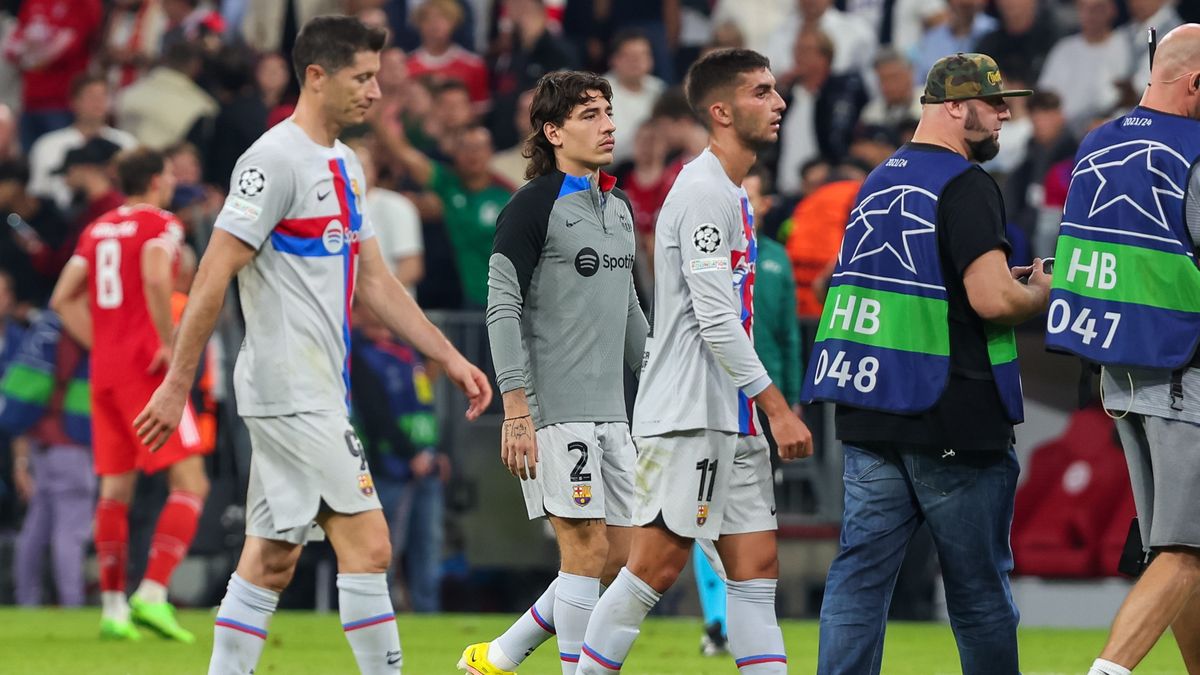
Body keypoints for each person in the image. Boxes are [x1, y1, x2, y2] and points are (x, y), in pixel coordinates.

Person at [131, 16, 491, 674]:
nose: (376, 93)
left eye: (377, 78)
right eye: (361, 77)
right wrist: (177, 382)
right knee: (371, 543)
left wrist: (448, 354)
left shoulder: (345, 164)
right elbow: (213, 272)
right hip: (289, 388)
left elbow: (377, 283)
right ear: (316, 77)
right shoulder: (272, 161)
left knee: (272, 557)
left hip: (315, 387)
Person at [803, 53, 1050, 675]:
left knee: (858, 585)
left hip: (871, 408)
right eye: (992, 103)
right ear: (952, 107)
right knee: (977, 593)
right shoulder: (966, 184)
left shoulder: (878, 179)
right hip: (952, 416)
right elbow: (992, 300)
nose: (1004, 113)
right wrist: (1041, 293)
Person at [577, 48, 813, 675]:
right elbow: (714, 318)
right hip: (687, 413)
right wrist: (779, 409)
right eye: (761, 92)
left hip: (729, 415)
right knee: (652, 567)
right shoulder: (704, 191)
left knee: (756, 568)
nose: (778, 102)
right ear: (722, 111)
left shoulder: (732, 192)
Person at [458, 69, 647, 675]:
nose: (608, 124)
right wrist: (516, 409)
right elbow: (501, 306)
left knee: (620, 555)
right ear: (553, 130)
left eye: (609, 112)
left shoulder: (618, 208)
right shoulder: (531, 206)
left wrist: (665, 385)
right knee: (585, 549)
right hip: (552, 413)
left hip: (611, 413)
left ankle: (501, 655)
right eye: (590, 114)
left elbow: (630, 314)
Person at [1041, 23, 1200, 675]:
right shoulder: (1194, 150)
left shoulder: (1096, 143)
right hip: (1185, 370)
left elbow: (1076, 257)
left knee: (1177, 546)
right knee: (1187, 548)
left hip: (1118, 377)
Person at [49, 147, 210, 643]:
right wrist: (166, 340)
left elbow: (60, 298)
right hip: (148, 371)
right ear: (158, 181)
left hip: (106, 373)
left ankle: (114, 609)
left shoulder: (97, 229)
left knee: (115, 491)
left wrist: (103, 346)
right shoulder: (162, 222)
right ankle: (155, 593)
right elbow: (157, 273)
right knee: (192, 483)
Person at [3, 310, 93, 608]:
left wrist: (21, 461)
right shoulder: (80, 329)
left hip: (41, 444)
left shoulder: (46, 329)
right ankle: (72, 605)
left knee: (34, 531)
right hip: (72, 445)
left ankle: (26, 602)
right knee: (70, 533)